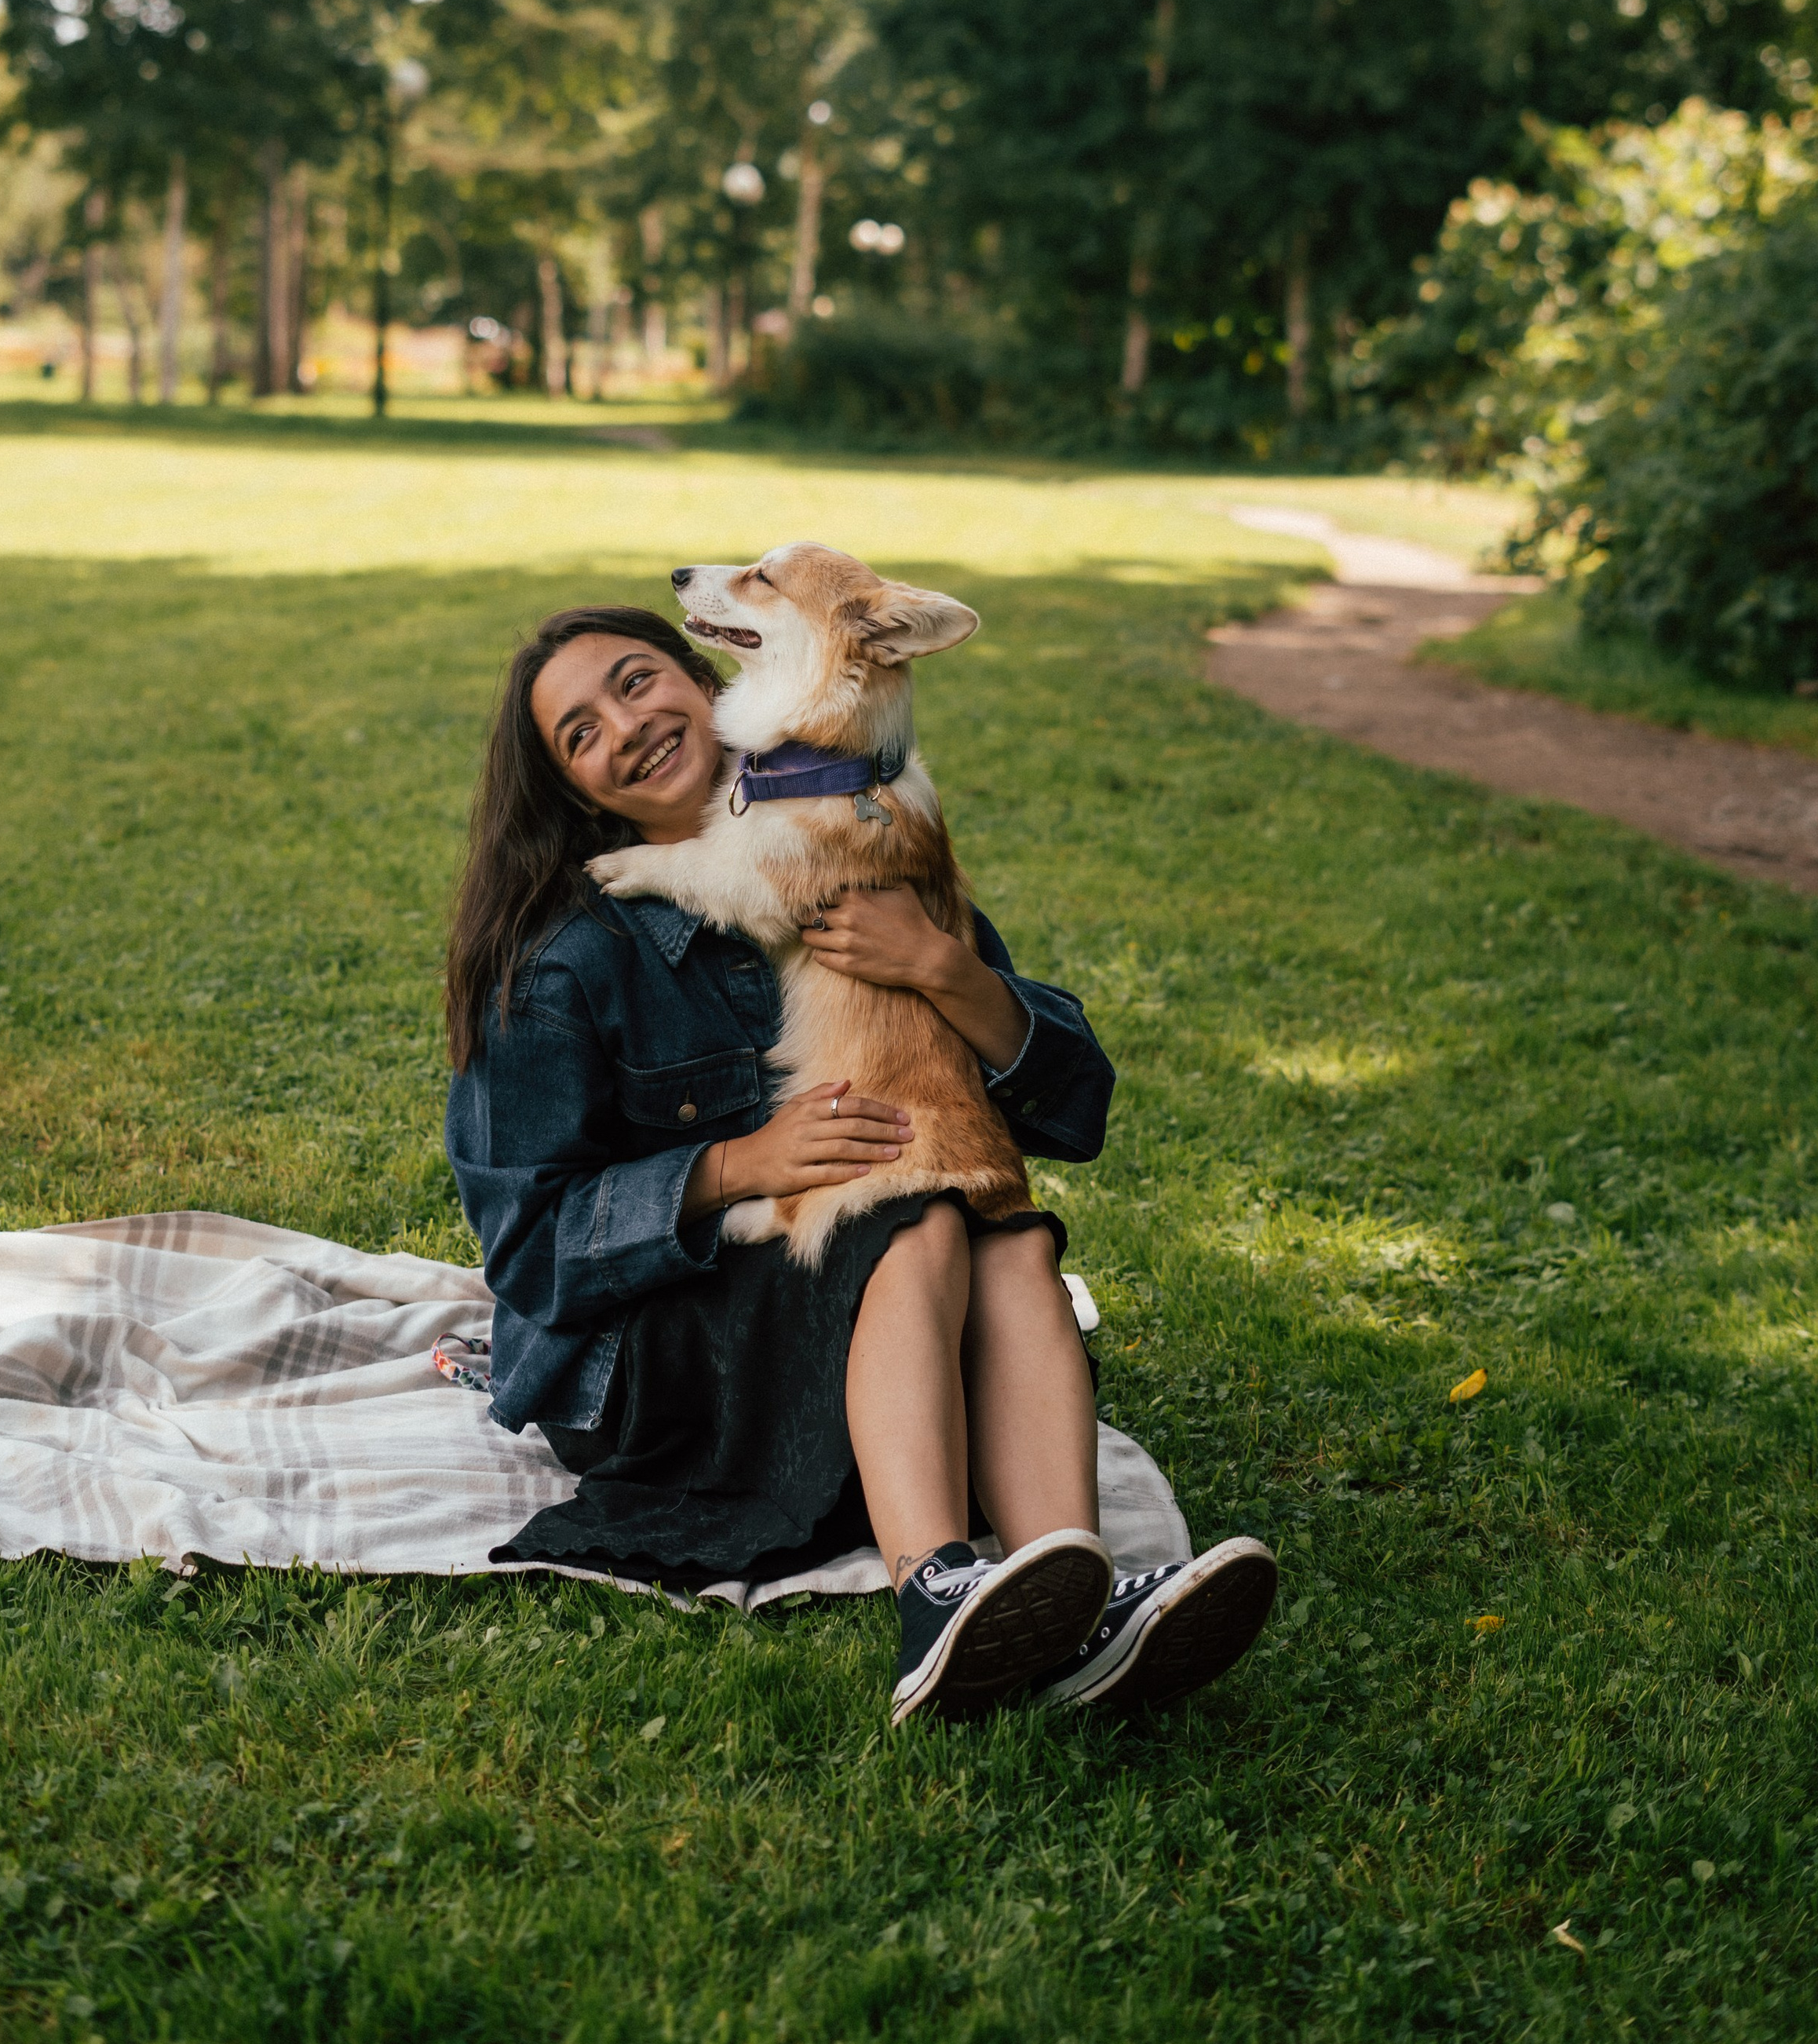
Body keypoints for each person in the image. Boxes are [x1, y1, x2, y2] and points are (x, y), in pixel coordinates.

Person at [444, 602, 1277, 1725]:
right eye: (580, 735)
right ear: (582, 796)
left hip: (853, 1311)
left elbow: (1074, 1107)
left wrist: (945, 967)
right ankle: (936, 1595)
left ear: (712, 679)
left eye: (637, 682)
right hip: (660, 1369)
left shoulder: (863, 846)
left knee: (1009, 1233)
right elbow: (529, 1253)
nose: (625, 728)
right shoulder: (570, 961)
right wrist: (736, 1165)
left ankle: (1068, 1593)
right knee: (925, 1217)